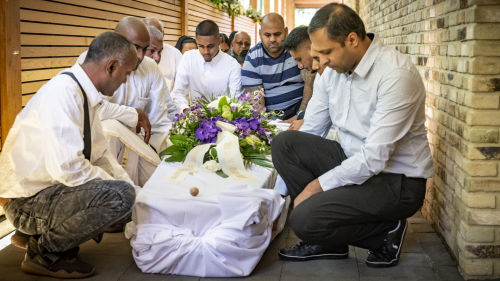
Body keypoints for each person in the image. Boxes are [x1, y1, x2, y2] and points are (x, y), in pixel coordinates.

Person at [271, 3, 434, 268]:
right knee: (286, 143)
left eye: (325, 53)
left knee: (303, 219)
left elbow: (375, 158)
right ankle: (328, 240)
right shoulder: (331, 72)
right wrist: (276, 197)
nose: (319, 63)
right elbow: (311, 129)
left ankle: (385, 233)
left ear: (352, 40)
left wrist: (315, 188)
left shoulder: (395, 74)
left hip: (397, 180)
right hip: (352, 159)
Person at [0, 32, 137, 278]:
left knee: (127, 197)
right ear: (111, 66)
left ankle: (40, 234)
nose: (125, 81)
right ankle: (44, 251)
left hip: (45, 193)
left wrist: (134, 193)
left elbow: (101, 155)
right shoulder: (63, 93)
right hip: (25, 203)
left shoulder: (84, 93)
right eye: (126, 74)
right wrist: (123, 192)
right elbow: (69, 169)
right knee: (120, 197)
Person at [77, 16, 174, 186]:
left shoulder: (150, 67)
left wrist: (163, 154)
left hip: (141, 148)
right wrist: (133, 114)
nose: (140, 56)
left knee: (169, 185)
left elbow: (159, 123)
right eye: (135, 47)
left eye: (145, 49)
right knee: (109, 128)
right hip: (98, 150)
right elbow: (93, 108)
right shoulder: (93, 60)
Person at [241, 13, 305, 121]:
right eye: (267, 35)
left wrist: (300, 116)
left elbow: (310, 85)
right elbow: (257, 103)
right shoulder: (253, 58)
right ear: (260, 33)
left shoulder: (297, 49)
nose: (272, 39)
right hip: (271, 115)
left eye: (277, 34)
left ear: (285, 31)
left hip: (300, 109)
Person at [171, 20, 242, 112]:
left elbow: (236, 100)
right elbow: (178, 92)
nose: (206, 52)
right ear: (196, 41)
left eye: (210, 46)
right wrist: (185, 110)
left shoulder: (233, 65)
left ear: (219, 40)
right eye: (201, 46)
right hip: (194, 117)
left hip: (223, 120)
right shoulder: (188, 58)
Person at [143, 18, 183, 93]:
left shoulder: (175, 54)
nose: (157, 58)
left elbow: (181, 90)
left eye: (157, 33)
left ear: (163, 34)